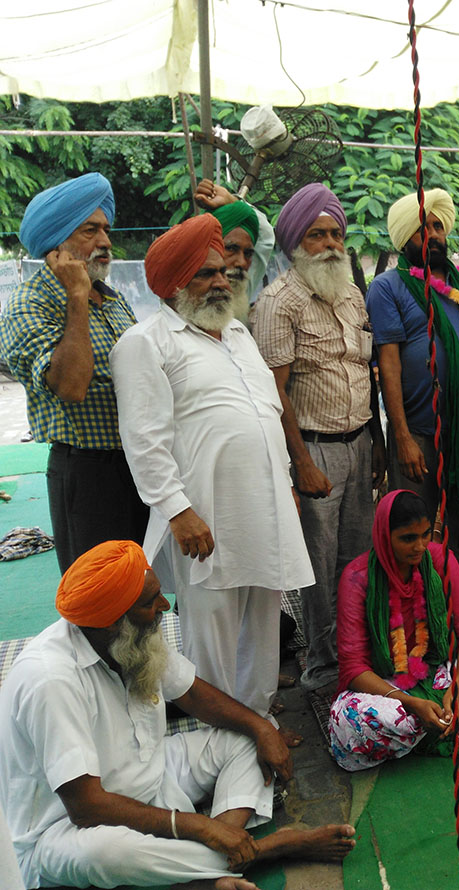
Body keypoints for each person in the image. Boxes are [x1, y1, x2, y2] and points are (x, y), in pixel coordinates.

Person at [0, 540, 355, 889]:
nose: (164, 606)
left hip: (152, 776)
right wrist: (195, 825)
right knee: (106, 854)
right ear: (112, 621)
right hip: (69, 827)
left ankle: (221, 852)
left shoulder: (130, 637)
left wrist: (262, 728)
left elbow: (195, 695)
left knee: (245, 739)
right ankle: (262, 850)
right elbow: (86, 807)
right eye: (150, 602)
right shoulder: (50, 679)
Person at [111, 214, 314, 717]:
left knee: (263, 632)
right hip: (207, 519)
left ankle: (257, 728)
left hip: (266, 513)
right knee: (215, 640)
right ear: (173, 285)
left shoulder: (239, 334)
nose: (223, 280)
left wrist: (286, 481)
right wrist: (179, 512)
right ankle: (218, 743)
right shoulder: (146, 342)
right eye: (205, 273)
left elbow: (267, 412)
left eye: (223, 270)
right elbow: (144, 440)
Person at [253, 183, 385, 694]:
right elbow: (274, 392)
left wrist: (376, 442)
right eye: (316, 234)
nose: (329, 243)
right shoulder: (278, 302)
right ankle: (325, 665)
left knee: (356, 557)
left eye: (335, 233)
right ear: (293, 243)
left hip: (359, 442)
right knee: (318, 562)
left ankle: (357, 653)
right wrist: (301, 461)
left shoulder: (351, 292)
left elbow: (363, 372)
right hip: (314, 449)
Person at [0, 172, 149, 572]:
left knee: (143, 586)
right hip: (88, 474)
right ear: (56, 244)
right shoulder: (27, 306)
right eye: (90, 230)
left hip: (140, 464)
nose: (105, 241)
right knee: (102, 597)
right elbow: (71, 385)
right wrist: (77, 297)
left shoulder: (113, 300)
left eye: (106, 229)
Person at [328, 491, 459, 772]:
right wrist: (410, 702)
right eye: (408, 538)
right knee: (348, 721)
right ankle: (455, 716)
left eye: (424, 535)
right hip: (386, 687)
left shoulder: (440, 558)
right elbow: (354, 668)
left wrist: (456, 688)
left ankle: (440, 716)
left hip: (436, 671)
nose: (419, 546)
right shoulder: (357, 578)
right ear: (385, 536)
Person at [367, 189, 459, 596]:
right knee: (412, 526)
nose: (433, 235)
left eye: (438, 226)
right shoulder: (389, 288)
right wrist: (401, 436)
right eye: (422, 228)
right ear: (405, 237)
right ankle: (414, 610)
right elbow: (388, 366)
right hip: (420, 433)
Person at [193, 178, 276, 321]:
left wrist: (232, 200)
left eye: (248, 253)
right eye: (231, 248)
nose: (241, 263)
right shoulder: (185, 293)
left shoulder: (240, 288)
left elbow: (266, 236)